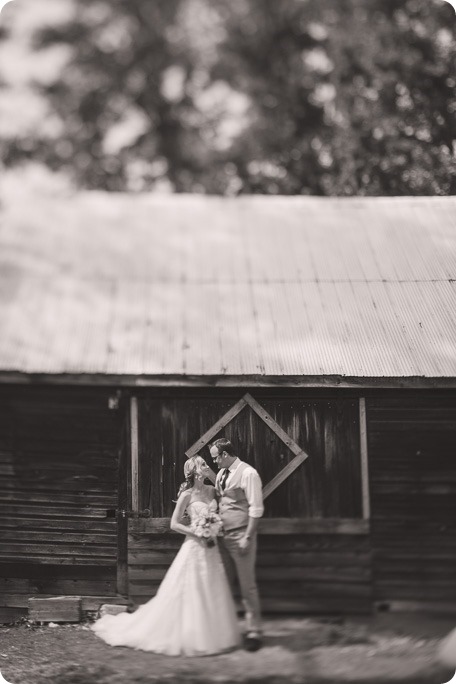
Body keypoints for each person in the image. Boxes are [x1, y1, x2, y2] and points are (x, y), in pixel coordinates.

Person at [92, 456, 240, 656]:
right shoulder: (186, 495)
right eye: (203, 464)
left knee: (212, 586)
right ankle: (190, 634)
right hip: (195, 545)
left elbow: (226, 494)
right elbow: (174, 523)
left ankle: (214, 631)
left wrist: (213, 526)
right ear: (195, 471)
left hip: (211, 547)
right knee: (191, 588)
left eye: (207, 463)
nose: (207, 466)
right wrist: (196, 532)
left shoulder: (212, 490)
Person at [210, 438, 264, 652]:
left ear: (224, 454)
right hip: (222, 536)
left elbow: (256, 508)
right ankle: (226, 629)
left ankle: (254, 631)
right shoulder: (222, 473)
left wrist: (248, 537)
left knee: (246, 585)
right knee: (223, 583)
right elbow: (223, 498)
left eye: (215, 457)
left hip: (241, 535)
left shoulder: (249, 473)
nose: (214, 461)